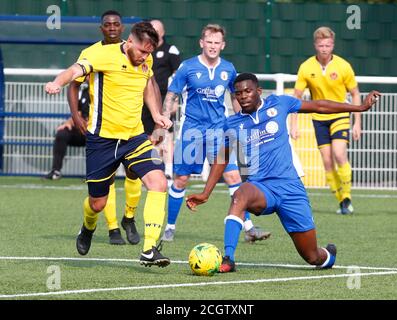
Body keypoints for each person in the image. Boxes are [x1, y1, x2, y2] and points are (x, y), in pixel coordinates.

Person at [186, 73, 380, 272]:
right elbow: (222, 158)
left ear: (258, 91)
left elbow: (319, 105)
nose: (243, 96)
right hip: (261, 188)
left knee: (312, 256)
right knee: (239, 195)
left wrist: (359, 107)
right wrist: (205, 193)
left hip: (290, 189)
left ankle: (328, 255)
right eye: (238, 94)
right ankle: (228, 258)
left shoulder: (279, 104)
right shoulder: (232, 123)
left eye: (247, 91)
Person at [45, 21, 173, 267]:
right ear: (130, 41)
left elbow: (148, 83)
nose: (145, 57)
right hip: (102, 141)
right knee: (98, 203)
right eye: (142, 51)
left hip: (135, 138)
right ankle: (88, 227)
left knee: (158, 183)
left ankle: (149, 249)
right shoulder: (101, 54)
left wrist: (156, 114)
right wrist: (56, 83)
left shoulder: (146, 60)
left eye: (150, 53)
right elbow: (73, 72)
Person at [161, 24, 271, 243]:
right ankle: (170, 227)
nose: (212, 46)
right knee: (181, 179)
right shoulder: (187, 67)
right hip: (192, 131)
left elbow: (235, 96)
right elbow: (172, 94)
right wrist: (164, 119)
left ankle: (249, 228)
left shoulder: (228, 69)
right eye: (209, 42)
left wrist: (242, 121)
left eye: (216, 43)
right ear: (202, 43)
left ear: (223, 45)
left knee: (233, 177)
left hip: (219, 132)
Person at [50, 10, 143, 246]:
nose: (112, 28)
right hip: (102, 132)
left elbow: (149, 80)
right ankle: (97, 227)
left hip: (133, 129)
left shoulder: (135, 49)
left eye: (116, 24)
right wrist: (75, 115)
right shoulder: (92, 53)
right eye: (107, 25)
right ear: (101, 28)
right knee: (99, 197)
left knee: (139, 173)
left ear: (122, 28)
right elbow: (74, 82)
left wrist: (157, 113)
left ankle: (129, 218)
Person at [292, 26, 362, 215]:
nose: (324, 49)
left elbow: (355, 93)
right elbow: (296, 96)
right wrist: (294, 124)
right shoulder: (306, 67)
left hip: (339, 114)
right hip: (319, 118)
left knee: (340, 155)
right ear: (315, 45)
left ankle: (347, 197)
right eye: (321, 45)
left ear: (333, 45)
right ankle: (341, 201)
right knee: (327, 161)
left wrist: (357, 122)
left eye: (328, 45)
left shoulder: (343, 66)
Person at [141, 20, 181, 180]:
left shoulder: (170, 50)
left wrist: (175, 101)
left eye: (156, 30)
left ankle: (169, 171)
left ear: (162, 33)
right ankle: (149, 169)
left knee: (165, 133)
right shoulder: (143, 50)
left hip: (164, 98)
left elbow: (178, 76)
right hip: (143, 98)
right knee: (146, 135)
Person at [43, 82, 89, 181]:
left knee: (95, 139)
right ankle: (56, 171)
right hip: (83, 130)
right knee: (62, 133)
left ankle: (93, 174)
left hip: (98, 130)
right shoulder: (85, 91)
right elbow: (78, 113)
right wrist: (67, 123)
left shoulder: (104, 91)